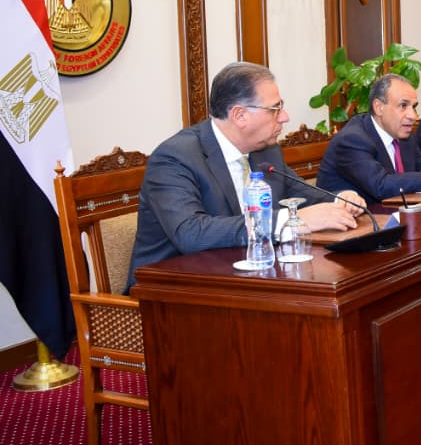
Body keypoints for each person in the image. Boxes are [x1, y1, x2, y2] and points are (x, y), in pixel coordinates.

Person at [127, 62, 363, 290]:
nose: (284, 117)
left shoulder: (265, 149)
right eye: (275, 109)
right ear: (239, 115)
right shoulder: (175, 157)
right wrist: (289, 222)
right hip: (170, 291)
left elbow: (298, 191)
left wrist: (340, 199)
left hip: (245, 277)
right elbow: (191, 233)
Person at [317, 73, 421, 202]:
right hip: (353, 222)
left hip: (393, 216)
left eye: (414, 107)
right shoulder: (352, 140)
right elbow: (381, 186)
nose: (413, 116)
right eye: (403, 105)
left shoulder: (404, 136)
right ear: (379, 107)